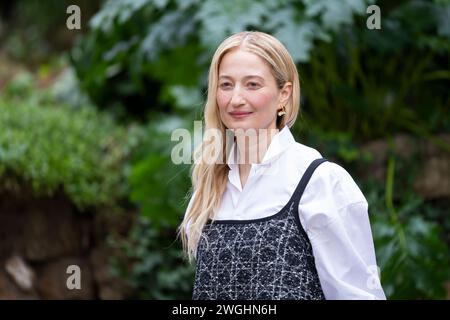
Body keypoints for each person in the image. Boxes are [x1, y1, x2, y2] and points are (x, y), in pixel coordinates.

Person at [178, 31, 386, 300]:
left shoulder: (319, 181)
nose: (236, 99)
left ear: (283, 94)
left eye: (252, 84)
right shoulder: (210, 187)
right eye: (226, 85)